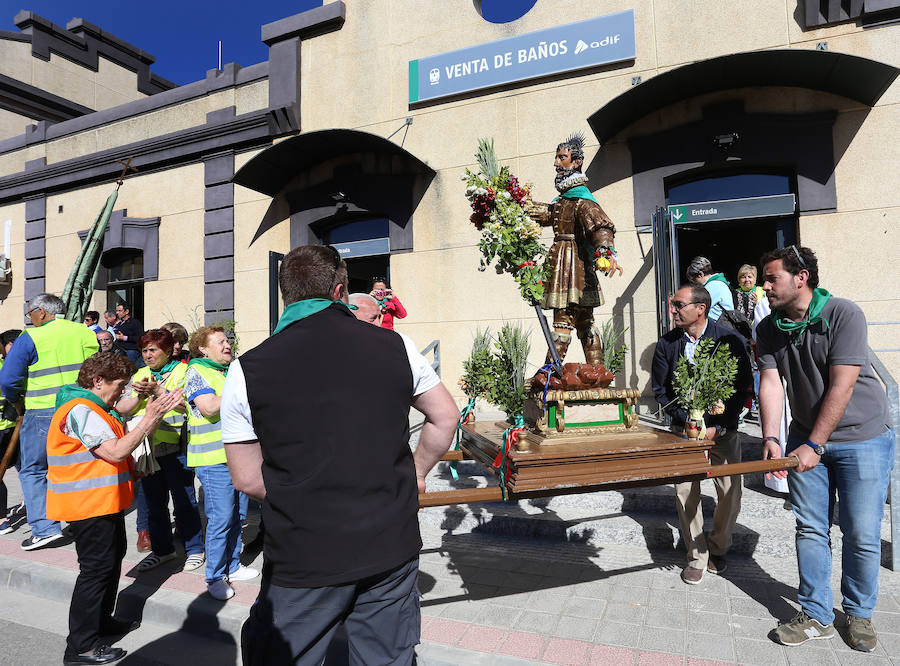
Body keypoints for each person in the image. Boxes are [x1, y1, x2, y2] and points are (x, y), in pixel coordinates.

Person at [222, 244, 459, 665]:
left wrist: (300, 496)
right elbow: (444, 419)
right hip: (389, 542)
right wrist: (416, 473)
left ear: (286, 296)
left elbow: (247, 479)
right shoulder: (396, 346)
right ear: (339, 290)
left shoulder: (247, 368)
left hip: (304, 552)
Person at [758, 246, 894, 651]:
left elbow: (843, 384)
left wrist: (815, 444)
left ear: (800, 278)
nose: (764, 286)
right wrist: (770, 437)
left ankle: (858, 614)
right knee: (810, 528)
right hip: (805, 437)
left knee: (862, 533)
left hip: (863, 437)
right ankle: (816, 614)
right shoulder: (767, 328)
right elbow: (770, 383)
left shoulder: (842, 314)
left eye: (772, 278)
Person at [47, 351, 183, 665]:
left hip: (103, 504)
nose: (123, 391)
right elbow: (115, 451)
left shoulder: (96, 407)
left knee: (108, 565)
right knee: (95, 573)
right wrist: (150, 418)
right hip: (87, 507)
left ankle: (101, 623)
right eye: (120, 385)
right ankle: (81, 647)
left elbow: (110, 451)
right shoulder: (81, 409)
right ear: (97, 381)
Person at [651, 284, 752, 585]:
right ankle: (696, 554)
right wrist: (688, 421)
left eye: (679, 305)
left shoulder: (729, 341)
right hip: (684, 432)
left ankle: (719, 546)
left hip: (723, 430)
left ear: (701, 308)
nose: (673, 310)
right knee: (685, 492)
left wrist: (717, 426)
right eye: (673, 304)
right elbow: (661, 390)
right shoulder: (666, 344)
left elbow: (741, 388)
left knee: (730, 491)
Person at [0, 293, 99, 550]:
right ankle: (80, 522)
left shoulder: (31, 336)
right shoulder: (84, 333)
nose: (29, 318)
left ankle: (44, 528)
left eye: (30, 313)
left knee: (34, 470)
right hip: (82, 408)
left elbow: (8, 379)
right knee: (74, 467)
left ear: (41, 312)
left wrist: (16, 401)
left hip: (42, 411)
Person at [525, 131, 622, 366]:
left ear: (576, 162)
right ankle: (597, 370)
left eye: (561, 158)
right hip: (566, 264)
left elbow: (600, 225)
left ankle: (551, 372)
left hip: (571, 267)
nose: (556, 163)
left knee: (565, 318)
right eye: (557, 158)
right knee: (585, 321)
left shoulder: (581, 199)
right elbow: (550, 212)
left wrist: (606, 254)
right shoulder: (566, 199)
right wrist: (518, 204)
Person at [115, 329, 205, 573]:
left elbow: (187, 405)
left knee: (184, 500)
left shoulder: (184, 371)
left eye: (152, 350)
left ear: (167, 350)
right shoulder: (141, 373)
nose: (147, 355)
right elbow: (125, 408)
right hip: (148, 449)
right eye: (144, 350)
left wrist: (156, 391)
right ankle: (163, 550)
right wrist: (137, 397)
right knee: (155, 503)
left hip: (177, 446)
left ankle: (195, 549)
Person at [185, 325, 257, 600]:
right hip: (212, 458)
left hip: (235, 456)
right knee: (221, 518)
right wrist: (240, 390)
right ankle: (215, 576)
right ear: (202, 348)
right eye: (220, 342)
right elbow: (209, 407)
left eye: (228, 341)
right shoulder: (196, 371)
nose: (227, 345)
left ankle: (233, 565)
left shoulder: (228, 372)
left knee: (239, 515)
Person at [0, 328, 25, 535]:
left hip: (8, 427)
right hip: (10, 425)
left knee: (25, 469)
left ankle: (1, 518)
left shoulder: (9, 365)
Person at [686, 256, 734, 322]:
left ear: (700, 274)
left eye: (694, 280)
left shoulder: (713, 286)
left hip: (719, 327)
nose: (695, 283)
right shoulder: (718, 283)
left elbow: (697, 308)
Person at [112, 303, 143, 368]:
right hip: (118, 349)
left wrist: (124, 338)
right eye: (116, 311)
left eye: (119, 311)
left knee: (130, 369)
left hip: (130, 351)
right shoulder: (119, 323)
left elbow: (139, 337)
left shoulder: (135, 323)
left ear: (126, 311)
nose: (117, 313)